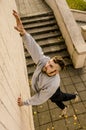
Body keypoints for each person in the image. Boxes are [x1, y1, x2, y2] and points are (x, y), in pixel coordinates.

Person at [13, 10, 78, 116]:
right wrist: (23, 33)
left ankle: (74, 96)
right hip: (49, 91)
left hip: (53, 90)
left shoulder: (52, 85)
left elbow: (39, 98)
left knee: (60, 97)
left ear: (56, 71)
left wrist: (24, 103)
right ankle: (65, 106)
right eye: (49, 62)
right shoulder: (44, 62)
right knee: (55, 100)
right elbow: (35, 49)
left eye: (51, 66)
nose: (46, 65)